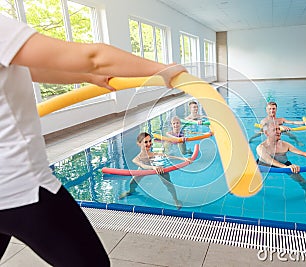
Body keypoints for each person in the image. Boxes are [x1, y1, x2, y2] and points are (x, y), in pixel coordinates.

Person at [0, 15, 186, 267]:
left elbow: (31, 68)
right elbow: (94, 57)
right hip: (21, 189)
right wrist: (160, 69)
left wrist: (86, 78)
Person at [256, 120, 306, 205]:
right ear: (267, 133)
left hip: (284, 164)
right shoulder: (261, 147)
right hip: (263, 165)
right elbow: (269, 160)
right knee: (249, 177)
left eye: (279, 129)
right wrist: (285, 167)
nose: (279, 132)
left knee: (304, 182)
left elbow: (302, 153)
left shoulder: (285, 145)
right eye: (275, 130)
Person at [119, 132, 192, 210]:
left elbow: (169, 157)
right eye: (146, 142)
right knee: (132, 182)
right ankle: (130, 191)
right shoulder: (136, 159)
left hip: (159, 168)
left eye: (150, 141)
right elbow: (143, 166)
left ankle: (176, 200)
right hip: (146, 169)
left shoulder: (154, 154)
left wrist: (184, 159)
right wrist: (153, 167)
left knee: (168, 184)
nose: (149, 143)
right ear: (139, 144)